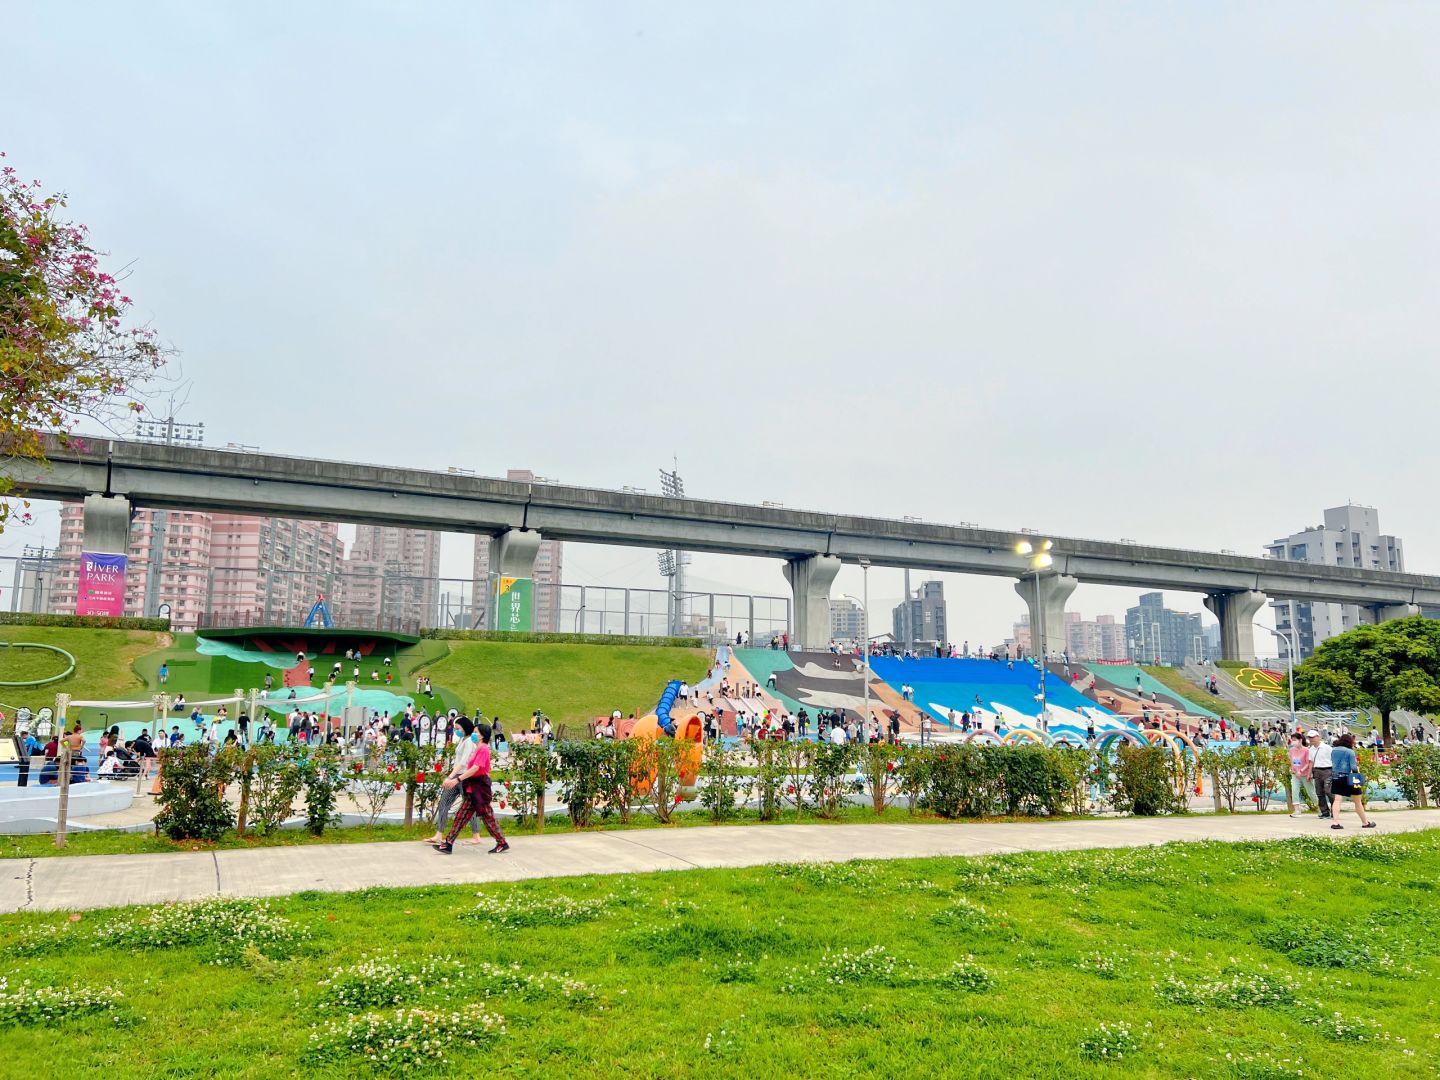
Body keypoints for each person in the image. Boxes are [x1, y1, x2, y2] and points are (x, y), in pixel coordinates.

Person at [436, 720, 508, 855]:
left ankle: (501, 842)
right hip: (472, 786)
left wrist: (457, 779)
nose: (473, 734)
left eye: (476, 732)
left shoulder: (484, 749)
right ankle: (448, 843)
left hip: (480, 788)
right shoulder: (478, 749)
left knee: (488, 817)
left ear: (482, 736)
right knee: (461, 816)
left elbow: (476, 768)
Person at [423, 717, 482, 847]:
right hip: (457, 777)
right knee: (444, 802)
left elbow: (463, 763)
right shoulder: (463, 739)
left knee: (469, 806)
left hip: (465, 778)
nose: (456, 731)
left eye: (458, 728)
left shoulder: (469, 742)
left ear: (465, 727)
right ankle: (439, 834)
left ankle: (476, 835)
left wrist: (450, 777)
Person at [1328, 733, 1375, 829]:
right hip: (1348, 777)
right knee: (1357, 801)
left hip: (1336, 777)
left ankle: (1335, 822)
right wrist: (1357, 778)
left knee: (1337, 800)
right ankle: (1365, 822)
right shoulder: (1350, 752)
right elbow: (1353, 767)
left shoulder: (1333, 750)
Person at [1307, 730, 1334, 820]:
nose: (1311, 739)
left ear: (1318, 737)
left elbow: (1333, 759)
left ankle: (1335, 811)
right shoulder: (1311, 749)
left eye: (1313, 737)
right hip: (1317, 771)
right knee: (1319, 793)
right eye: (1310, 738)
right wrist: (1309, 773)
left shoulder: (1327, 748)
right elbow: (1311, 762)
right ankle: (1325, 812)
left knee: (1328, 791)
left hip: (1327, 770)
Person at [1287, 731, 1315, 816]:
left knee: (1311, 792)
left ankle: (1322, 808)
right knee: (1294, 791)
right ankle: (1297, 810)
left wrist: (1301, 771)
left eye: (1295, 740)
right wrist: (1293, 770)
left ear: (1300, 740)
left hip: (1305, 774)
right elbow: (1292, 761)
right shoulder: (1292, 750)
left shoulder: (1306, 750)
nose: (1293, 742)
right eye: (1292, 740)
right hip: (1295, 775)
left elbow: (1308, 762)